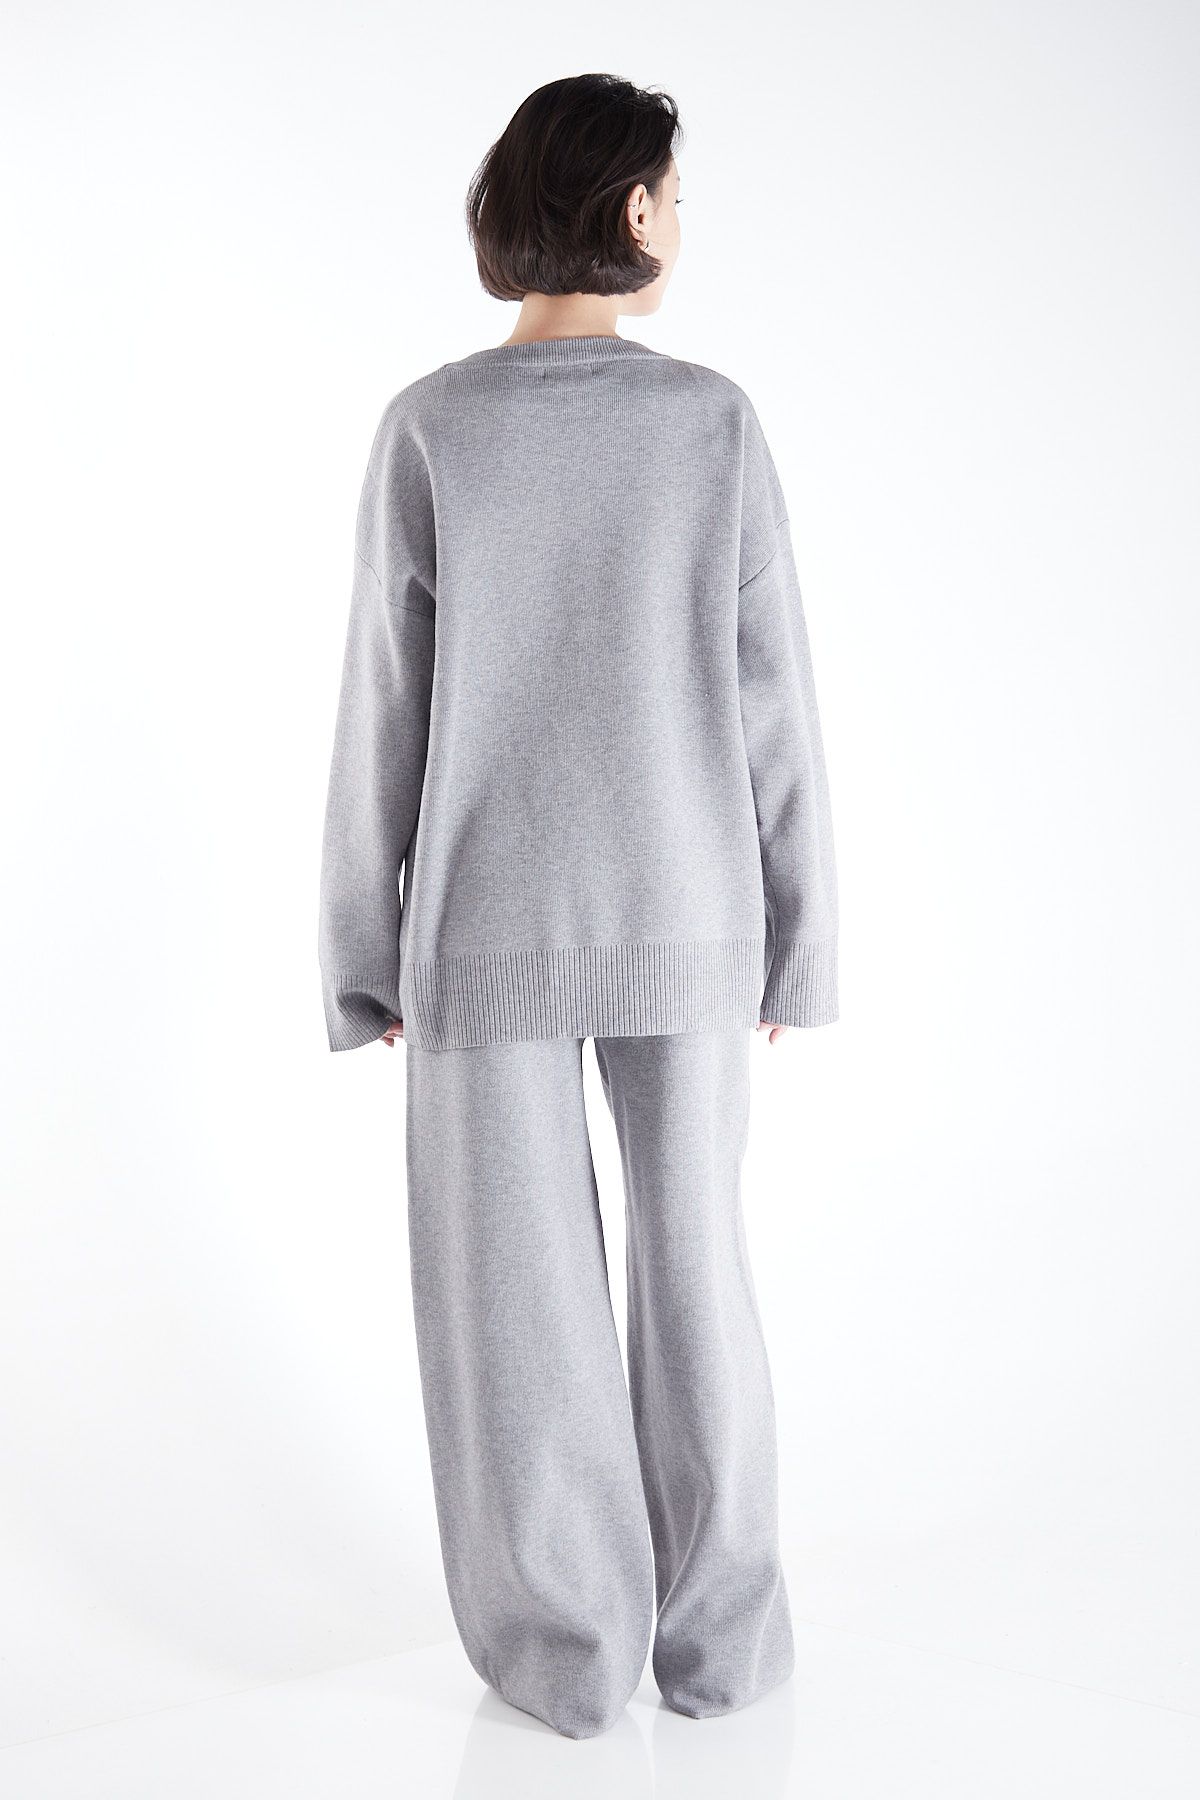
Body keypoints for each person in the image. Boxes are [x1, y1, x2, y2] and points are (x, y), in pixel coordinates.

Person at [317, 72, 839, 1740]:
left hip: (481, 931)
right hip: (691, 913)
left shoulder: (432, 427)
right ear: (630, 208)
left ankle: (564, 1663)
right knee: (700, 1285)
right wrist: (801, 935)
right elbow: (775, 702)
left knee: (517, 1315)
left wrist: (360, 953)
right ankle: (721, 1652)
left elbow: (383, 709)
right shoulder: (711, 425)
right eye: (676, 197)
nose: (682, 224)